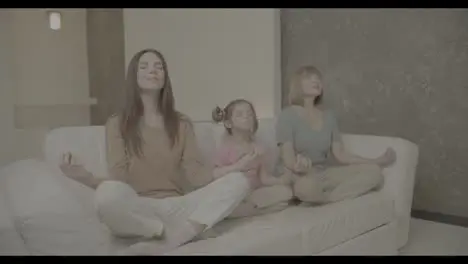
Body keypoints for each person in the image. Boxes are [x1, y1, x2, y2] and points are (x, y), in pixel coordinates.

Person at [59, 49, 253, 255]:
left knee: (239, 181)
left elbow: (197, 177)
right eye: (144, 67)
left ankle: (180, 234)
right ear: (134, 76)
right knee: (106, 197)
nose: (152, 71)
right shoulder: (117, 123)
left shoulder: (182, 123)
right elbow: (118, 180)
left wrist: (236, 168)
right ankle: (161, 232)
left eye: (158, 67)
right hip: (140, 208)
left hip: (177, 206)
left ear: (164, 78)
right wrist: (84, 177)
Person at [275, 65, 396, 204]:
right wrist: (298, 166)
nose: (316, 81)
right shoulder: (287, 115)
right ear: (297, 84)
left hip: (323, 174)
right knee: (306, 188)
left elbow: (341, 155)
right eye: (309, 77)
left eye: (318, 78)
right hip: (299, 176)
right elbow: (288, 159)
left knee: (375, 173)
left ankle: (327, 200)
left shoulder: (329, 117)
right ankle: (319, 196)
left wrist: (376, 161)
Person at [211, 100, 294, 217]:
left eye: (249, 114)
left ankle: (248, 210)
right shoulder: (226, 147)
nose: (246, 117)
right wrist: (238, 166)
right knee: (219, 203)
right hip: (232, 194)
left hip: (252, 194)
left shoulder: (258, 147)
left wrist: (282, 180)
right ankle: (252, 210)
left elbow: (264, 178)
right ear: (229, 123)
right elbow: (215, 174)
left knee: (286, 192)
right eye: (240, 114)